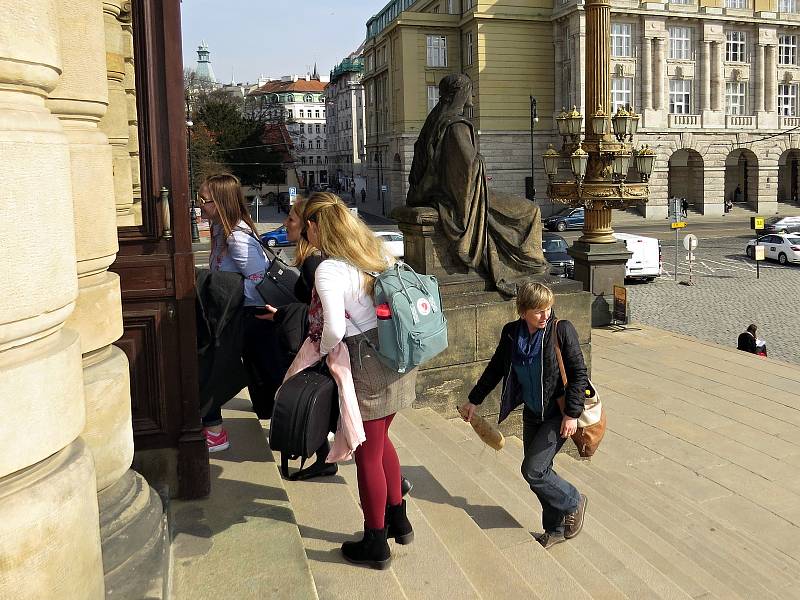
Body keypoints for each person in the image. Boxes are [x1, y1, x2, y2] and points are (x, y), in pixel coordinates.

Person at [301, 193, 416, 569]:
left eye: (306, 226)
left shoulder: (329, 269)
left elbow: (334, 326)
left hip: (366, 362)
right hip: (397, 355)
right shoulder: (373, 252)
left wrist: (324, 351)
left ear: (318, 227)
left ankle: (375, 542)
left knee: (367, 451)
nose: (304, 233)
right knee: (382, 442)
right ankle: (399, 519)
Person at [460, 282, 588, 549]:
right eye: (539, 311)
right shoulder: (511, 334)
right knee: (539, 472)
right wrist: (474, 400)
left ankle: (573, 500)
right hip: (533, 413)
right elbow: (496, 368)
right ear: (523, 312)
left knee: (533, 470)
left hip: (557, 413)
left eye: (548, 309)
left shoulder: (560, 330)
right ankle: (553, 528)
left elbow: (579, 375)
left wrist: (572, 414)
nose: (546, 315)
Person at [406, 73, 547, 295]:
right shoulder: (457, 126)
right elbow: (469, 168)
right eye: (471, 90)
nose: (474, 95)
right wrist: (480, 161)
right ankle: (529, 266)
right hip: (466, 197)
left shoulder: (433, 123)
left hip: (446, 193)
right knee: (531, 210)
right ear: (460, 94)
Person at [199, 173, 280, 451]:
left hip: (244, 314)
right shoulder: (220, 228)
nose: (200, 205)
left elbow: (258, 281)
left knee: (216, 367)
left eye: (204, 200)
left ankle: (215, 431)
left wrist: (223, 293)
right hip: (234, 312)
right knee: (259, 371)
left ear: (219, 203)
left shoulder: (236, 237)